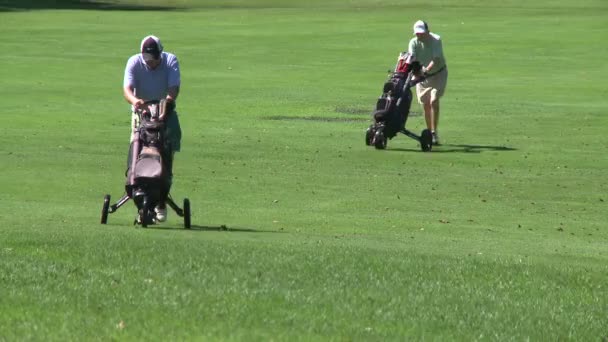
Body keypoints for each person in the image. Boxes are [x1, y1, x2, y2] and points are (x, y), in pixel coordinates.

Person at [123, 35, 182, 222]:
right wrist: (136, 101)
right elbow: (127, 89)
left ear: (160, 53)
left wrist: (168, 103)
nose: (152, 63)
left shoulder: (170, 60)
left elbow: (173, 88)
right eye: (149, 59)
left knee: (167, 148)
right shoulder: (134, 62)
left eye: (155, 59)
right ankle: (139, 195)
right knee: (137, 146)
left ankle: (161, 199)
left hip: (165, 109)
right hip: (141, 111)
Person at [408, 20, 448, 145]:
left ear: (427, 32)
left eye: (421, 33)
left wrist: (426, 70)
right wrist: (414, 72)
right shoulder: (413, 42)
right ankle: (430, 132)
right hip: (422, 77)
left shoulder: (436, 40)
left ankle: (434, 132)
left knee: (434, 100)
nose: (419, 35)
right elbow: (412, 58)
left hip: (438, 74)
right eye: (417, 33)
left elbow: (435, 59)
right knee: (426, 105)